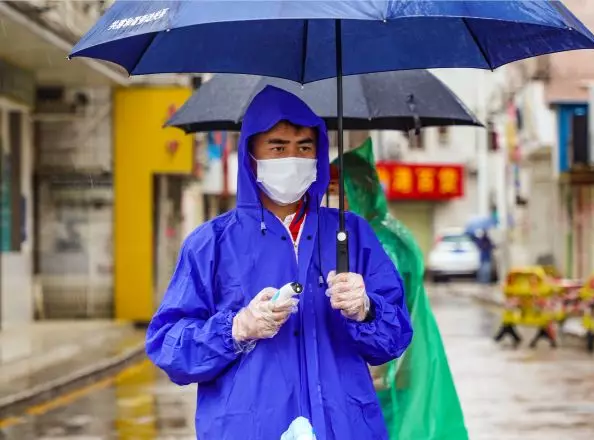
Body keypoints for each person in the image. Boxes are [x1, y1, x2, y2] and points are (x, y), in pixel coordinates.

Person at [145, 85, 413, 440]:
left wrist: (366, 310)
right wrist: (236, 329)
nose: (293, 158)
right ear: (250, 155)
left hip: (343, 427)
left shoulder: (351, 234)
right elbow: (169, 348)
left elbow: (395, 338)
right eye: (278, 147)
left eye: (304, 147)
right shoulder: (211, 243)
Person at [329, 138, 468, 440]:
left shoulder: (379, 241)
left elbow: (385, 308)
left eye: (338, 190)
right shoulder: (388, 229)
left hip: (386, 366)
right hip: (401, 361)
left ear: (358, 190)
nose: (332, 198)